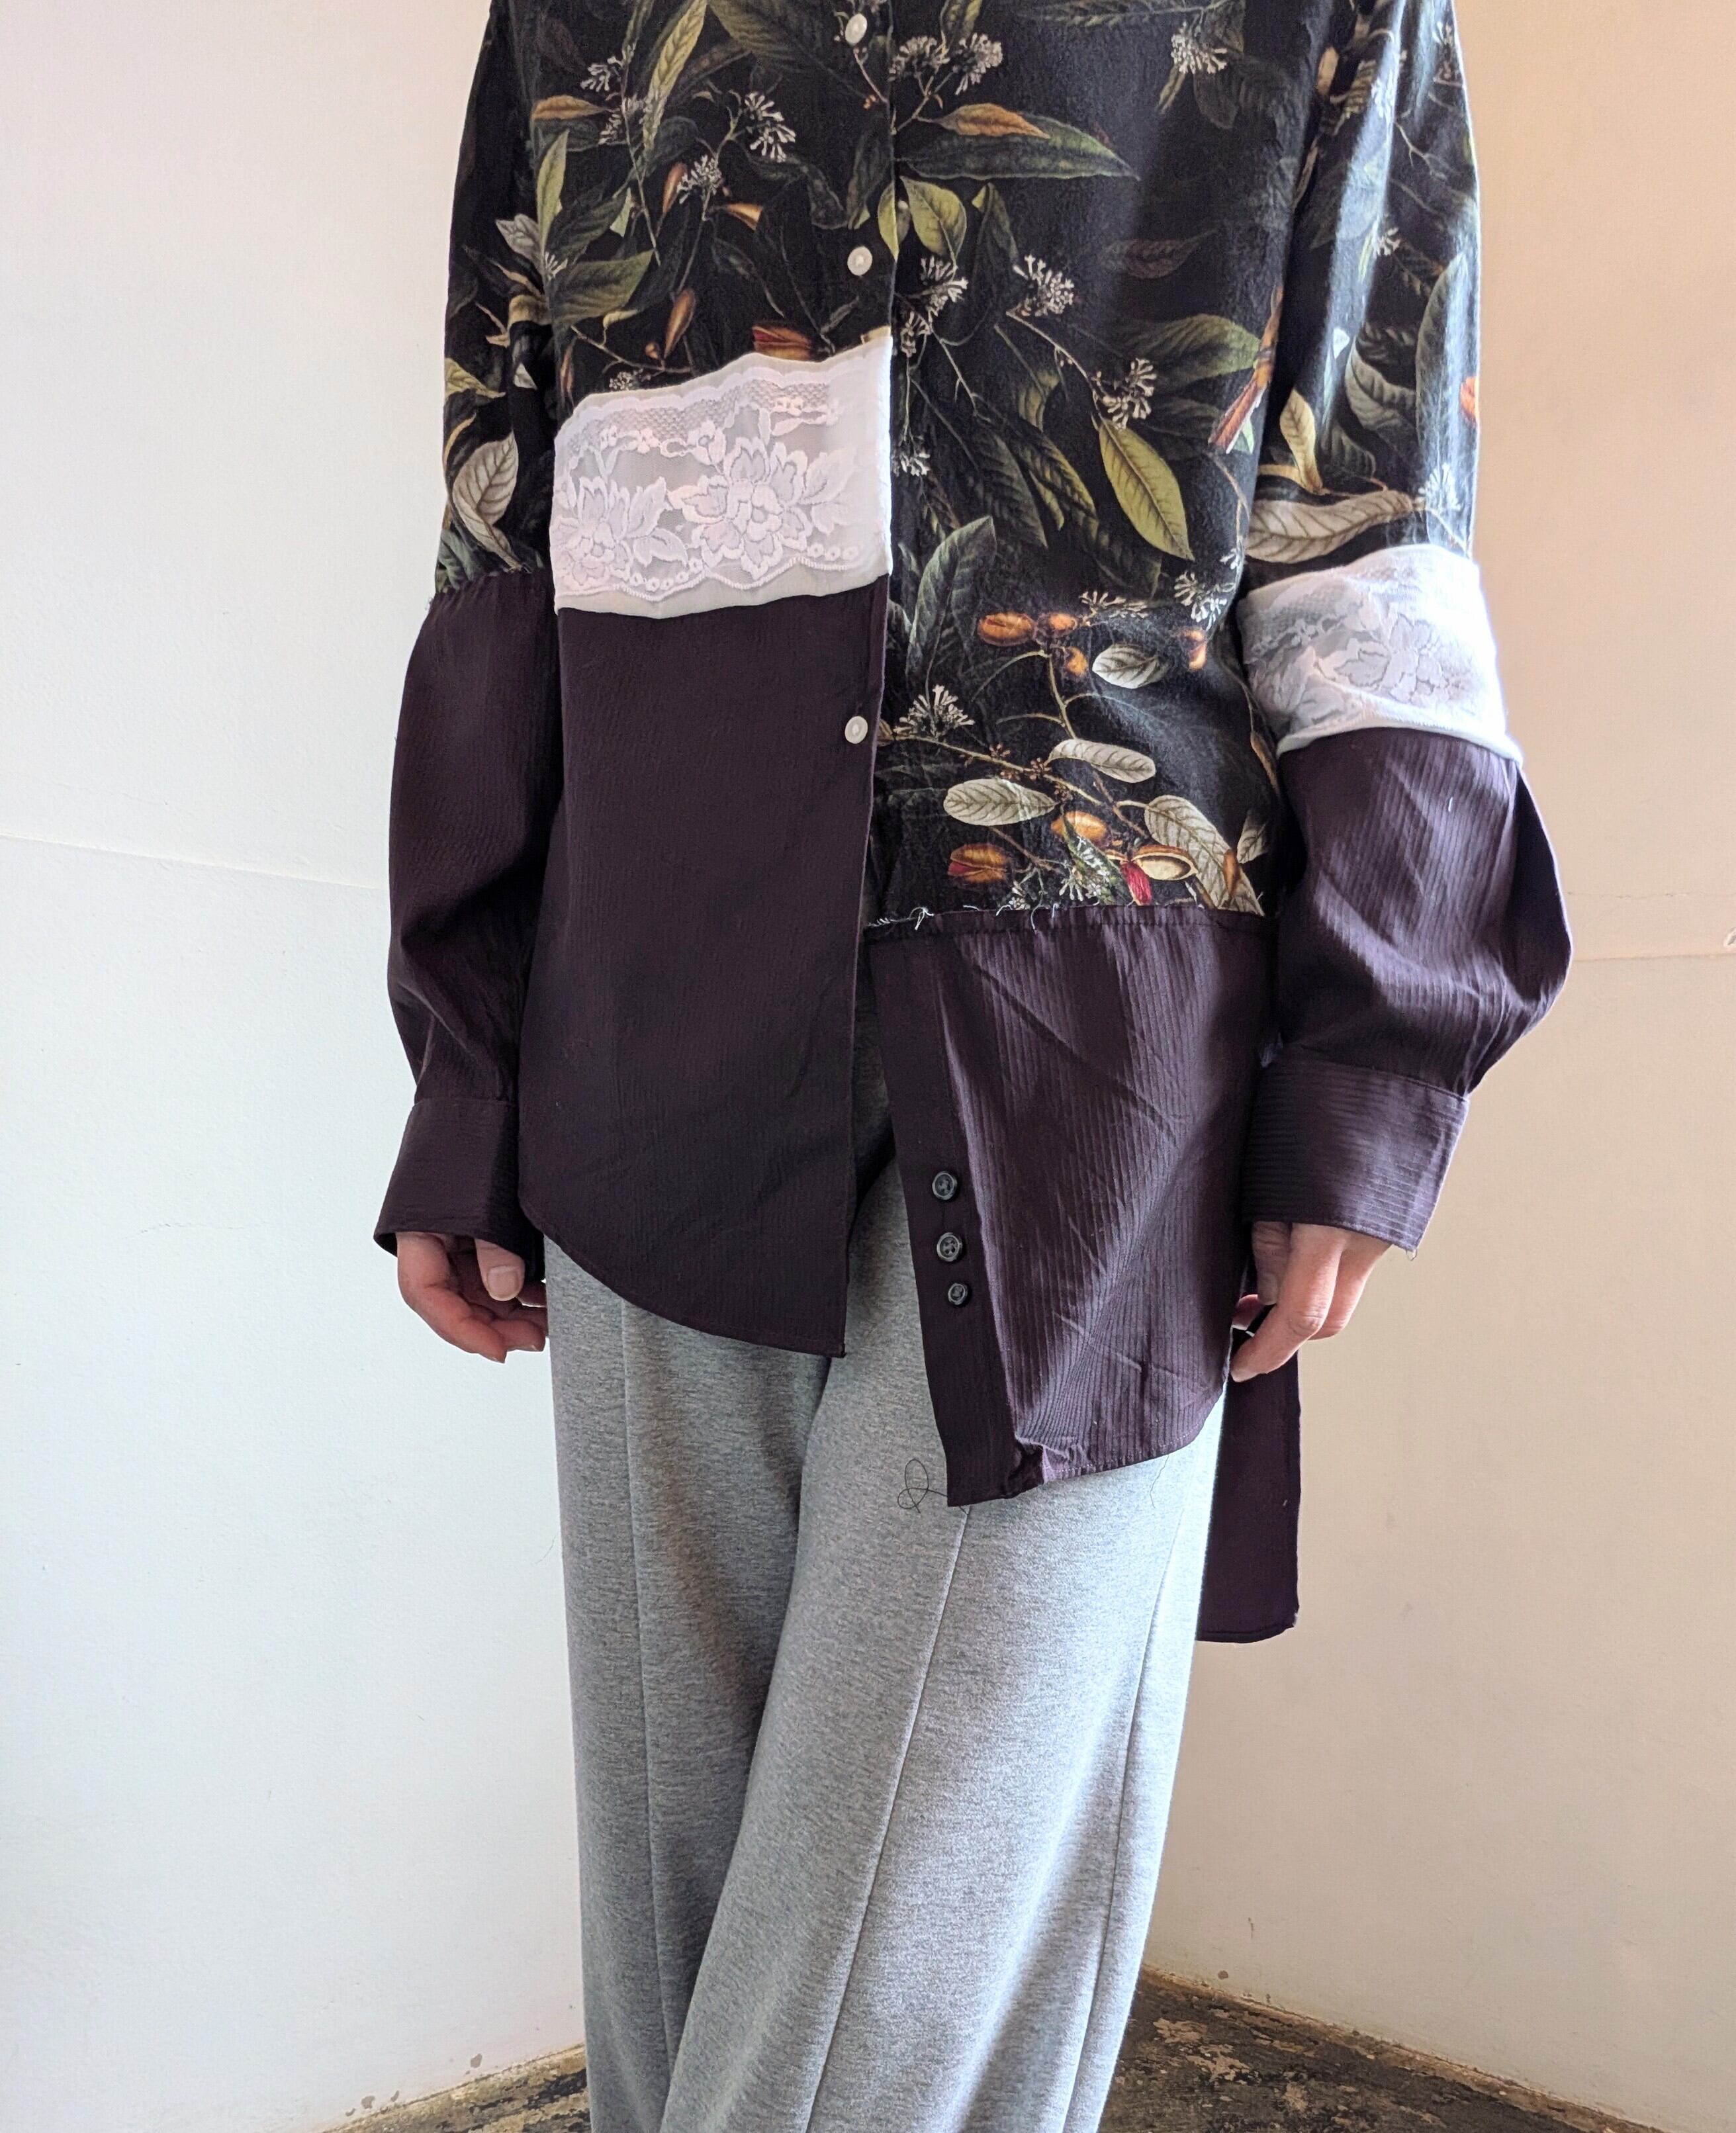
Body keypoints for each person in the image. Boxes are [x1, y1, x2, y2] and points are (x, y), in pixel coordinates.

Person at [376, 1, 1570, 2126]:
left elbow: (1369, 521)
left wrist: (1374, 1071)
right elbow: (508, 515)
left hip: (1090, 1072)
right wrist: (466, 1075)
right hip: (643, 1023)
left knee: (917, 1978)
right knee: (678, 1935)